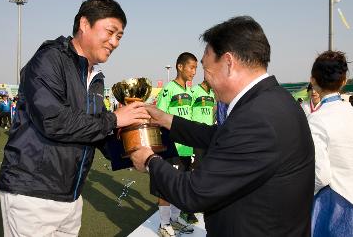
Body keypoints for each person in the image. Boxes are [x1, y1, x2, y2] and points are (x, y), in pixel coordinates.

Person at [130, 16, 315, 236]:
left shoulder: (256, 118)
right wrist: (164, 119)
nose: (204, 79)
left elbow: (193, 193)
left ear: (228, 63)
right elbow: (219, 136)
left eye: (207, 70)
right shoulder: (275, 100)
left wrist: (150, 160)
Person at [0, 0, 150, 237]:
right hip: (32, 195)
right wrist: (115, 119)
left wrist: (137, 150)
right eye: (110, 32)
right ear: (84, 24)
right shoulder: (49, 59)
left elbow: (94, 131)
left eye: (119, 36)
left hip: (71, 195)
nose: (115, 42)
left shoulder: (95, 77)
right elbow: (54, 121)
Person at [307, 50, 353, 236]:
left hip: (336, 205)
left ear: (313, 81)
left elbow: (320, 175)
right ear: (344, 81)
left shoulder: (317, 120)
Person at [154, 52, 197, 236]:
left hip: (186, 147)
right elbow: (159, 115)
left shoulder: (188, 91)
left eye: (196, 68)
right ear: (180, 67)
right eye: (192, 67)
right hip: (172, 146)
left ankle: (175, 218)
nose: (194, 72)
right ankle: (163, 224)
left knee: (181, 185)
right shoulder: (169, 89)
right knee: (167, 186)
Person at [190, 80, 216, 169]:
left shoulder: (212, 93)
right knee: (197, 163)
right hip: (196, 132)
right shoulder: (194, 91)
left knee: (207, 163)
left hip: (208, 133)